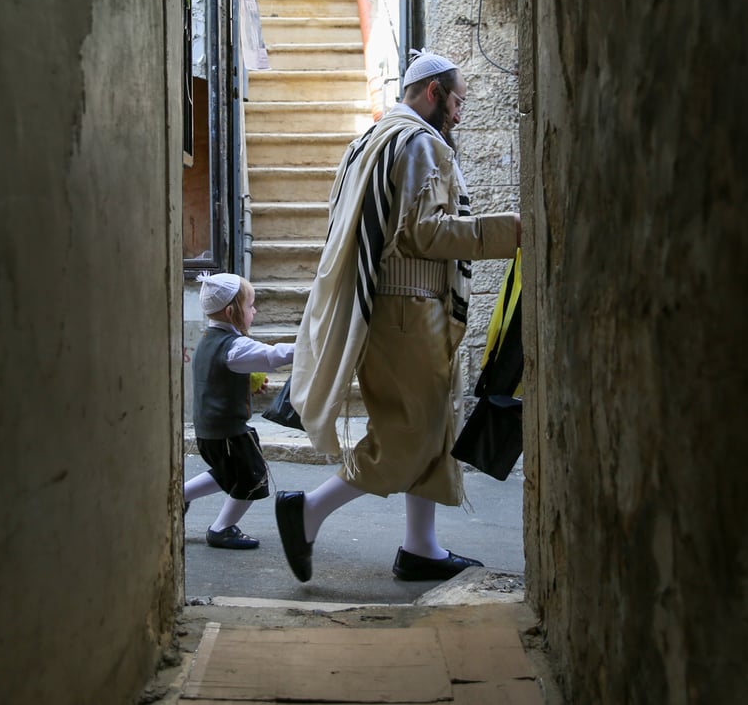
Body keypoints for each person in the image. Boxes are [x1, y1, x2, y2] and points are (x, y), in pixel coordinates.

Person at [277, 50, 521, 582]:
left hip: (400, 311)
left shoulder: (374, 138)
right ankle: (309, 511)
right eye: (457, 101)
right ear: (433, 93)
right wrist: (514, 231)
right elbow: (425, 233)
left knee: (430, 431)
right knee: (410, 435)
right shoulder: (420, 143)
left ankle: (420, 548)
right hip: (408, 312)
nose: (460, 114)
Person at [184, 273, 295, 549]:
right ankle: (222, 528)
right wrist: (310, 346)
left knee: (226, 472)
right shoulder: (234, 346)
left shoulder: (208, 339)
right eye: (250, 306)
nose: (254, 311)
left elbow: (218, 380)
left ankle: (181, 494)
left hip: (209, 431)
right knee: (250, 477)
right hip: (230, 432)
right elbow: (272, 355)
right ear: (232, 312)